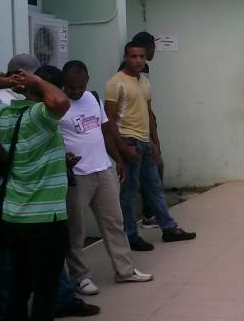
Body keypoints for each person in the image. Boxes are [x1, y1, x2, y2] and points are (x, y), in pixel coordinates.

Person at [0, 55, 98, 319]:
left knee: (20, 286)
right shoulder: (42, 116)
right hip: (46, 220)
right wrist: (34, 81)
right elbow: (60, 101)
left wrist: (3, 81)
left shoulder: (3, 114)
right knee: (45, 291)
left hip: (14, 216)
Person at [58, 60, 153, 296]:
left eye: (80, 86)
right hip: (77, 176)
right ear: (64, 84)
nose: (76, 92)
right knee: (76, 229)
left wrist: (117, 160)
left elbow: (105, 131)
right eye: (71, 87)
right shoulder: (57, 105)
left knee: (114, 222)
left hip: (103, 169)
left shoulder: (92, 98)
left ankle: (125, 271)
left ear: (87, 81)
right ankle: (80, 277)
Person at [105, 41, 195, 252]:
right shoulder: (115, 83)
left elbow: (149, 112)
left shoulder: (144, 81)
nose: (138, 60)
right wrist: (122, 150)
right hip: (129, 142)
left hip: (145, 143)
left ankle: (169, 228)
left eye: (141, 57)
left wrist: (156, 141)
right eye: (133, 56)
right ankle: (131, 235)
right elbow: (108, 120)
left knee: (155, 189)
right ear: (125, 57)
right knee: (129, 191)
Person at [118, 32, 165, 229]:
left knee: (147, 173)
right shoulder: (139, 70)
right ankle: (146, 216)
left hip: (140, 131)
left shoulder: (135, 70)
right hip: (135, 133)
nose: (154, 51)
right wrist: (153, 136)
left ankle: (148, 215)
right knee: (146, 173)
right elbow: (143, 104)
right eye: (152, 47)